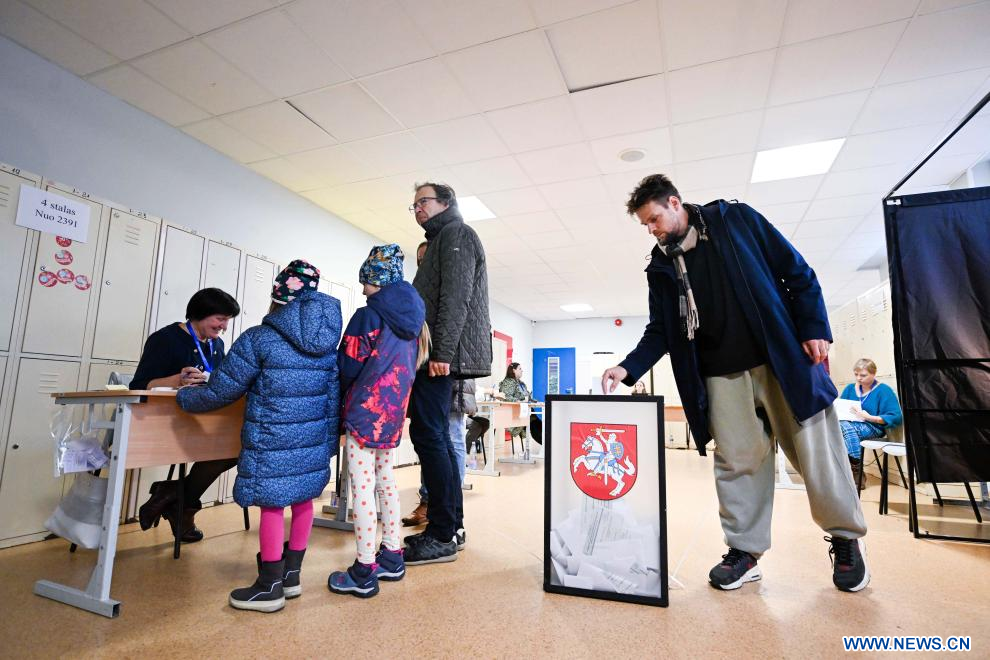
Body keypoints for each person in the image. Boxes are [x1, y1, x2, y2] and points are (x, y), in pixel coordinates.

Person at [601, 174, 869, 593]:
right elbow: (662, 330)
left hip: (780, 359)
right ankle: (744, 552)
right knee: (737, 463)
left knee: (817, 454)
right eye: (645, 224)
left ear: (675, 203)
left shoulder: (735, 220)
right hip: (720, 374)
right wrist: (627, 368)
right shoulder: (661, 266)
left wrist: (815, 325)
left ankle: (846, 538)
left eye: (654, 219)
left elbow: (796, 271)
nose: (651, 230)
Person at [176, 260, 341, 613]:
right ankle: (291, 577)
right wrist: (327, 446)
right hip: (312, 442)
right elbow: (332, 401)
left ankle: (269, 586)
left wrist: (186, 398)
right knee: (302, 502)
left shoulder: (259, 338)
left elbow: (222, 390)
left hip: (271, 440)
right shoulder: (327, 345)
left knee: (272, 505)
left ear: (277, 297)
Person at [328, 244, 428, 597]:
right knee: (385, 482)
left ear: (378, 280)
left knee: (362, 487)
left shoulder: (368, 316)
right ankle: (392, 555)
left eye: (366, 282)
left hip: (364, 412)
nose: (363, 290)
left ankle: (364, 568)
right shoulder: (414, 323)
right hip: (392, 414)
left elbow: (349, 364)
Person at [405, 181, 492, 565]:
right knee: (435, 435)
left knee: (431, 436)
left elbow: (456, 298)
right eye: (414, 205)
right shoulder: (443, 239)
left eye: (423, 201)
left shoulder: (456, 234)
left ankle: (441, 533)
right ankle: (450, 527)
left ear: (445, 202)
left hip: (438, 359)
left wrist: (441, 352)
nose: (418, 209)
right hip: (434, 356)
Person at [131, 287, 240, 543]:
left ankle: (172, 494)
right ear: (200, 314)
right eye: (220, 319)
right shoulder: (165, 339)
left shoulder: (216, 344)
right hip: (168, 421)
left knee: (235, 448)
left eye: (227, 320)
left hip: (202, 418)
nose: (224, 326)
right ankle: (179, 505)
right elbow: (139, 385)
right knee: (224, 449)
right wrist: (177, 380)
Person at [403, 377, 478, 527]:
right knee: (440, 440)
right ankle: (442, 507)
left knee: (449, 439)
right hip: (444, 379)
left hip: (451, 379)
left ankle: (445, 509)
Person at [838, 359, 903, 483]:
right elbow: (841, 409)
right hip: (847, 426)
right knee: (839, 427)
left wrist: (869, 417)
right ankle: (856, 470)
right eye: (856, 374)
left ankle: (854, 470)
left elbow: (896, 416)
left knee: (843, 428)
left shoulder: (884, 391)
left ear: (873, 374)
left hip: (874, 427)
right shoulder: (849, 389)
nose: (858, 378)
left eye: (863, 375)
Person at [498, 362, 532, 442]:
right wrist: (519, 401)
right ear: (514, 370)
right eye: (520, 369)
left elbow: (526, 396)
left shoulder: (521, 383)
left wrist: (529, 399)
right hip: (512, 414)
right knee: (533, 420)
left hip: (522, 411)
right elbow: (506, 397)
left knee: (534, 419)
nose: (522, 371)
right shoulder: (508, 382)